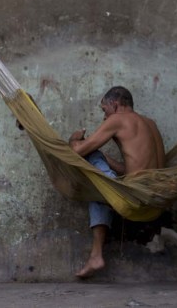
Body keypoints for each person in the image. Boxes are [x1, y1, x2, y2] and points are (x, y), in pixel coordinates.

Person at [67, 86, 165, 278]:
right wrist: (105, 159)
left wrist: (73, 140)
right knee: (99, 186)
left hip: (135, 195)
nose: (105, 117)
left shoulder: (117, 119)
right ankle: (95, 257)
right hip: (157, 194)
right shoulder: (150, 123)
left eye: (104, 110)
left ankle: (96, 255)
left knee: (91, 159)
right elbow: (137, 170)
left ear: (114, 104)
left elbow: (77, 151)